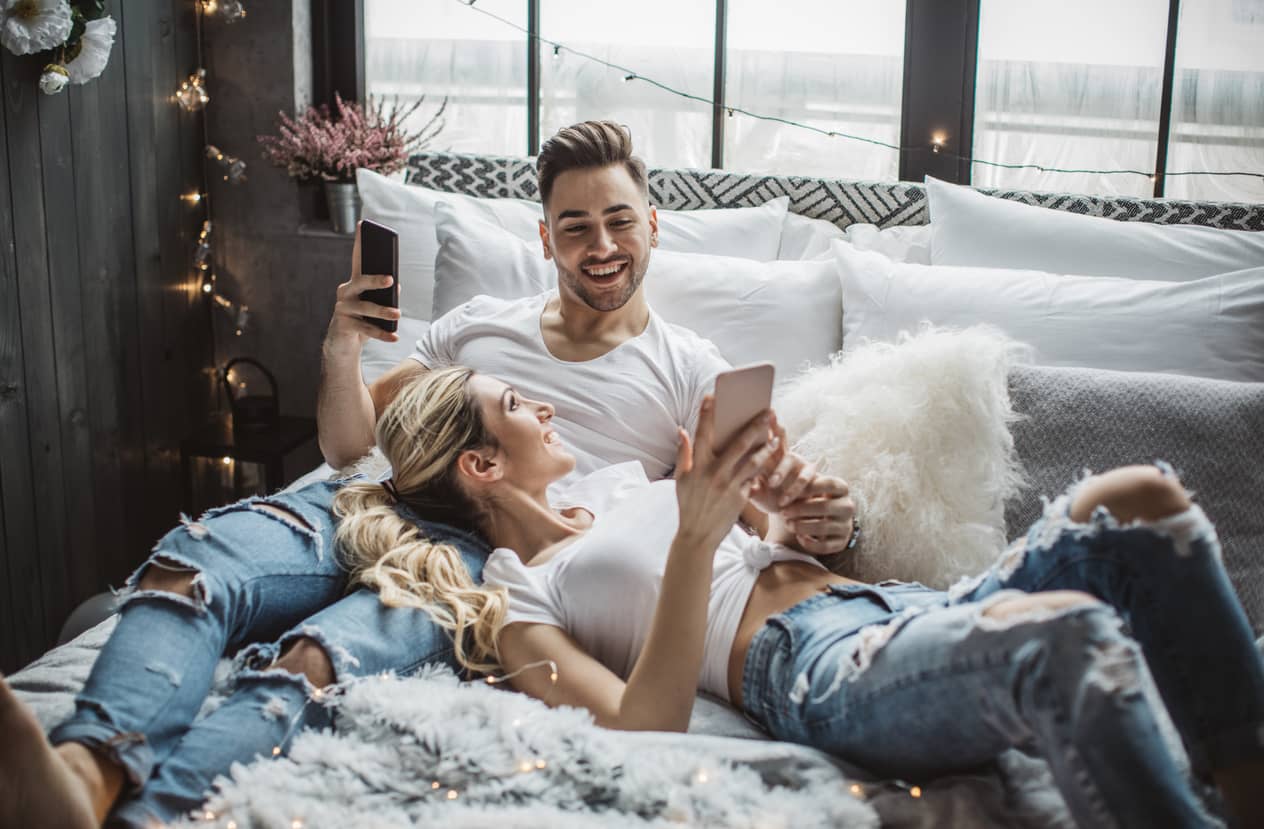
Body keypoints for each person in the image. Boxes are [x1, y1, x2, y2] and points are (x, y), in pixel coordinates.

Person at [0, 120, 853, 828]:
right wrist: (340, 346)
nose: (601, 246)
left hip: (484, 551)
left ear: (655, 225)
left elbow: (755, 508)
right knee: (191, 565)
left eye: (620, 221)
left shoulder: (690, 367)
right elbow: (346, 444)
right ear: (544, 235)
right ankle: (85, 772)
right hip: (363, 497)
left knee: (313, 659)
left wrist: (814, 522)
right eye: (576, 225)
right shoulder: (481, 325)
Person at [336, 365, 1264, 829]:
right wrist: (700, 535)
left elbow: (764, 563)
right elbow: (636, 723)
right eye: (516, 407)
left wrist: (799, 522)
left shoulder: (622, 484)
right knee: (1063, 635)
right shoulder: (517, 598)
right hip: (815, 670)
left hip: (890, 605)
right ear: (482, 466)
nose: (542, 407)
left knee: (1139, 499)